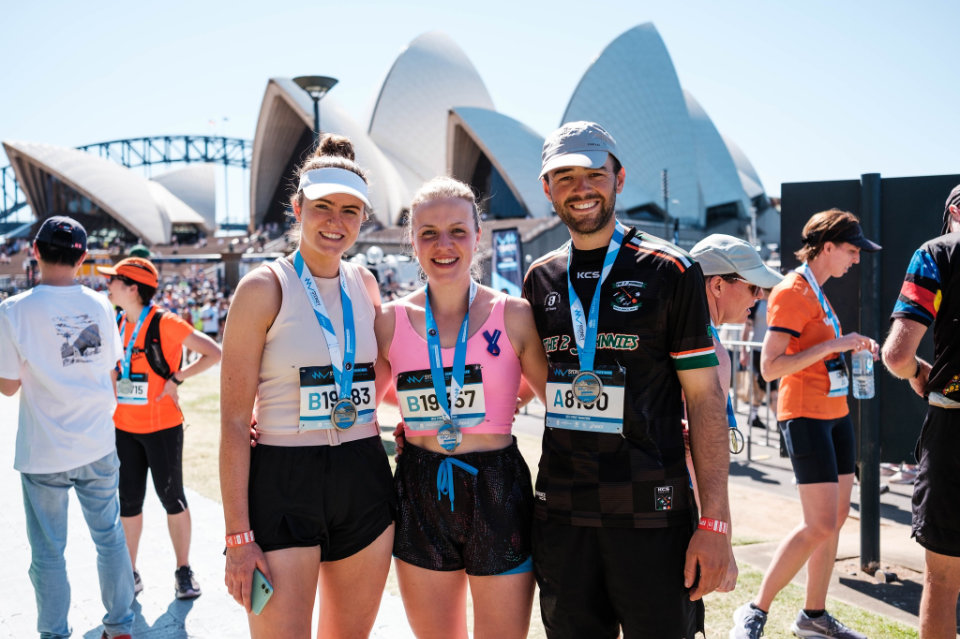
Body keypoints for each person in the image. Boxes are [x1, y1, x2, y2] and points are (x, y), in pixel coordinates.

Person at [522, 121, 733, 639]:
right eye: (565, 176)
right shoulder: (540, 277)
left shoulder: (671, 270)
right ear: (547, 188)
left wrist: (716, 523)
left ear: (619, 177)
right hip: (564, 519)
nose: (582, 187)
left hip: (652, 519)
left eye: (595, 172)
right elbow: (529, 383)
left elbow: (706, 400)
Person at [220, 134, 395, 637]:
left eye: (349, 210)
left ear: (364, 218)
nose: (335, 222)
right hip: (282, 481)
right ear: (297, 208)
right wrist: (238, 537)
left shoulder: (365, 284)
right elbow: (233, 420)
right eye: (322, 207)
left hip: (363, 474)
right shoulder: (262, 287)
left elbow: (378, 371)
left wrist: (381, 417)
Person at [376, 177, 548, 638]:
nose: (444, 244)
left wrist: (502, 405)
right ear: (411, 241)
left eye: (457, 230)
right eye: (428, 232)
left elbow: (555, 394)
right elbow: (363, 400)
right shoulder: (389, 319)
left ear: (479, 236)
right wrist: (419, 420)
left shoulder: (514, 313)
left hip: (498, 488)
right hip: (419, 486)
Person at [730, 208, 881, 639]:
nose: (855, 259)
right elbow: (770, 368)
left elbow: (815, 350)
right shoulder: (792, 290)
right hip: (805, 416)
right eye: (851, 251)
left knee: (833, 521)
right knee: (819, 524)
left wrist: (844, 348)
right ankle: (754, 608)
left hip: (836, 415)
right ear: (827, 247)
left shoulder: (816, 289)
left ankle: (814, 615)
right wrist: (836, 343)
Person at [0, 217, 135, 639]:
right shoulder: (99, 305)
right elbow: (109, 367)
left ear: (35, 252)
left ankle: (54, 633)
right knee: (110, 538)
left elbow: (7, 388)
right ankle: (120, 626)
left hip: (44, 451)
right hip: (96, 441)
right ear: (82, 257)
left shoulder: (13, 311)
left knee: (48, 554)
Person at [97, 256, 222, 599]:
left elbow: (213, 352)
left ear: (132, 288)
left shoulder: (166, 323)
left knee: (172, 498)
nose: (107, 285)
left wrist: (177, 378)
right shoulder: (115, 323)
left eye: (114, 280)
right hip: (123, 428)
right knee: (128, 502)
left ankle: (183, 570)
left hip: (163, 427)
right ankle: (130, 572)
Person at [881, 183, 960, 639]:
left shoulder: (937, 252)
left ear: (952, 212)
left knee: (943, 580)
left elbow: (896, 354)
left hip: (955, 427)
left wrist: (915, 371)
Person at [690, 234, 783, 537]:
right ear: (717, 285)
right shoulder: (709, 351)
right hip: (683, 506)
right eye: (753, 287)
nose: (759, 296)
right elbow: (699, 450)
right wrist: (718, 534)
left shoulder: (691, 334)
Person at [740, 291, 777, 430]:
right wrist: (743, 351)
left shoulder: (776, 302)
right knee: (770, 389)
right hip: (757, 352)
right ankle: (780, 421)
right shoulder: (756, 305)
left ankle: (753, 416)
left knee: (762, 388)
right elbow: (747, 327)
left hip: (772, 352)